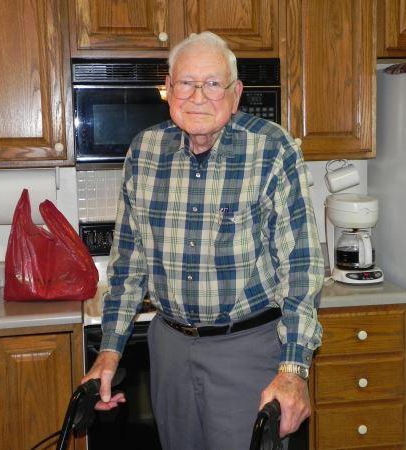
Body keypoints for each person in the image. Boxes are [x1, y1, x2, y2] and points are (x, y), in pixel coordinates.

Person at [82, 31, 324, 450]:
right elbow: (129, 265)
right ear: (168, 89)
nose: (198, 97)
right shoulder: (144, 151)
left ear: (235, 93)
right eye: (186, 83)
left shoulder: (271, 149)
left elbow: (300, 265)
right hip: (170, 350)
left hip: (248, 351)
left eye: (213, 83)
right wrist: (109, 351)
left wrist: (293, 369)